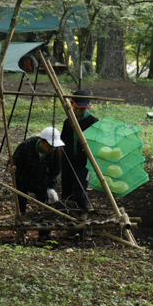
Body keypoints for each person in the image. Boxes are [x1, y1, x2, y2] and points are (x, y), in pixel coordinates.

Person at [9, 126, 65, 241]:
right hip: (23, 179)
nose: (52, 149)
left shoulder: (53, 153)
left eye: (54, 147)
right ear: (41, 141)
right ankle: (21, 231)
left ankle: (44, 234)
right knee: (21, 205)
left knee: (44, 206)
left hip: (40, 181)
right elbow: (14, 162)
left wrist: (50, 187)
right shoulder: (25, 146)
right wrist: (11, 168)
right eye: (50, 146)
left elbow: (54, 170)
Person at [60, 89, 98, 241]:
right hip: (68, 162)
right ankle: (70, 226)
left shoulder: (93, 122)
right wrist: (60, 163)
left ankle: (84, 227)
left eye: (82, 109)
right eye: (77, 108)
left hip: (83, 164)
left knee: (79, 192)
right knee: (66, 194)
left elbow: (96, 146)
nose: (79, 111)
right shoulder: (68, 122)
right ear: (71, 106)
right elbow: (63, 143)